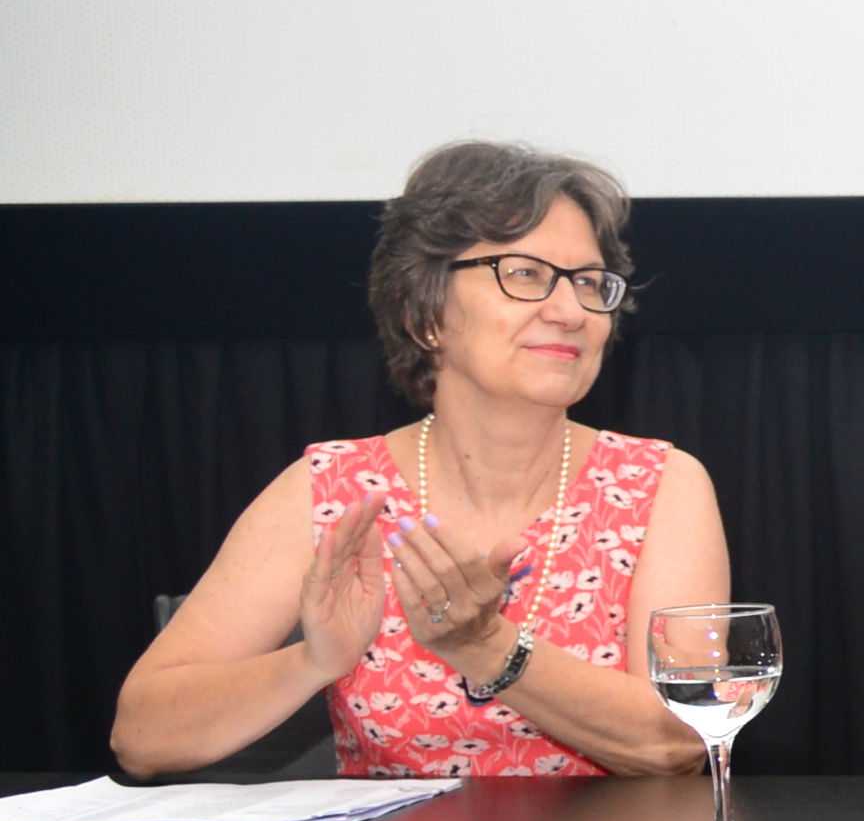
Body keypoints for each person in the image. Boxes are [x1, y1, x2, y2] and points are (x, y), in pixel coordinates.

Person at [115, 142, 728, 781]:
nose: (570, 311)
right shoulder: (335, 490)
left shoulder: (657, 485)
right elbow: (141, 735)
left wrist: (486, 649)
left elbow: (683, 739)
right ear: (422, 314)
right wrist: (312, 661)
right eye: (524, 274)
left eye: (588, 282)